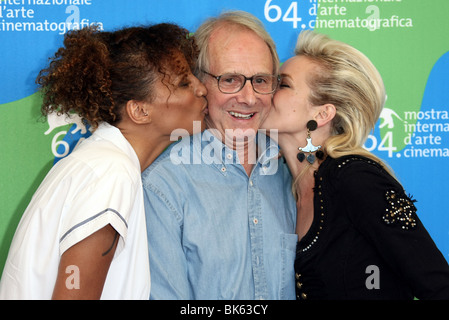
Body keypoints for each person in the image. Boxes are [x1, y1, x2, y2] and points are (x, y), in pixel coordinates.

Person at [0, 23, 207, 299]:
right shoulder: (111, 172)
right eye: (184, 83)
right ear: (139, 110)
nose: (202, 89)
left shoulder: (107, 164)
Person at [261, 30, 449, 299]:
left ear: (322, 113)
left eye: (283, 84)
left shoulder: (355, 178)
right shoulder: (281, 183)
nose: (265, 92)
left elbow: (437, 283)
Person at [142, 11, 297, 300]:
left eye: (261, 80)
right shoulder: (164, 186)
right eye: (230, 80)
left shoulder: (293, 169)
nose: (249, 98)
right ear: (200, 84)